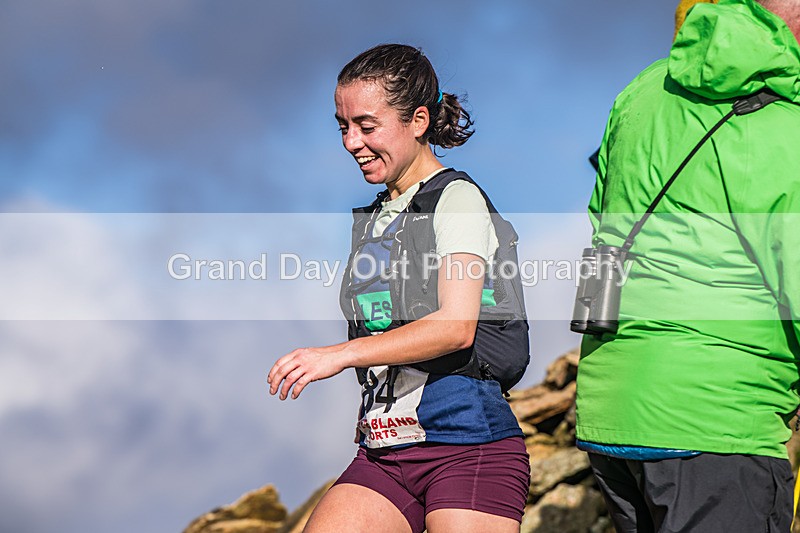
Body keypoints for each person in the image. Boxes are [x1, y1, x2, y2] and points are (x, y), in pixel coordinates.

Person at [267, 44, 530, 533]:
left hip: (468, 449)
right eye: (343, 126)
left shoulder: (457, 199)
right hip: (385, 452)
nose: (351, 142)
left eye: (367, 126)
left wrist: (341, 354)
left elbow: (456, 327)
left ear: (419, 120)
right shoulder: (378, 217)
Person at [574, 0, 800, 531]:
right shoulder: (784, 127)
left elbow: (603, 217)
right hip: (718, 422)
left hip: (612, 408)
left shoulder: (643, 89)